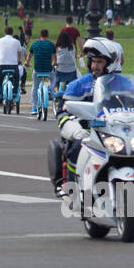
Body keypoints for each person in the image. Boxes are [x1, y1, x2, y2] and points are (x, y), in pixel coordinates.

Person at [52, 37, 122, 196]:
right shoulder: (78, 85)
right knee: (78, 147)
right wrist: (76, 130)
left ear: (109, 64)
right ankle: (71, 185)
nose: (95, 66)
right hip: (87, 131)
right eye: (93, 62)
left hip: (114, 131)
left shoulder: (121, 84)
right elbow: (64, 112)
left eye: (99, 62)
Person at [0, 25, 24, 102]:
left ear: (4, 32)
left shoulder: (0, 40)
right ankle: (14, 92)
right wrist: (18, 61)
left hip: (1, 65)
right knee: (16, 78)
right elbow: (19, 54)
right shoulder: (17, 42)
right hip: (13, 65)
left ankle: (0, 95)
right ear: (12, 33)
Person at [27, 28, 56, 113]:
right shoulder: (51, 45)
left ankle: (34, 107)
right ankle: (50, 89)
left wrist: (27, 63)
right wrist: (54, 63)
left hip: (37, 70)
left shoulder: (35, 44)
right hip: (48, 69)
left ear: (40, 36)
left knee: (35, 87)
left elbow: (29, 57)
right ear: (47, 36)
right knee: (54, 78)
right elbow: (55, 59)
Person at [53, 31, 78, 97]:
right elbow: (75, 57)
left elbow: (54, 59)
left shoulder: (57, 47)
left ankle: (56, 90)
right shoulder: (73, 46)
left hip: (60, 70)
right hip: (71, 71)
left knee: (54, 78)